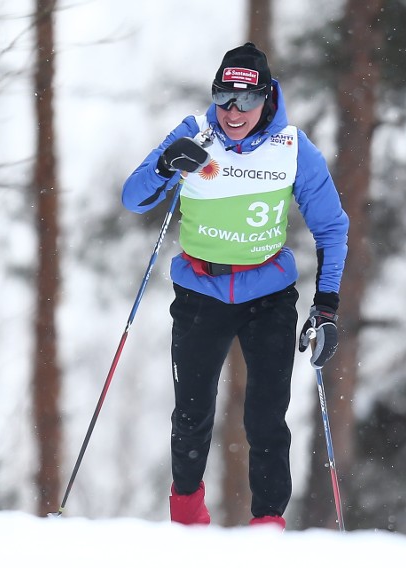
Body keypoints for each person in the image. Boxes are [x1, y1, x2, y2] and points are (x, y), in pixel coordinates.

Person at [121, 42, 349, 529]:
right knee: (191, 415)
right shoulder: (194, 135)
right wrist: (165, 166)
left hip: (268, 295)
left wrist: (326, 307)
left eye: (247, 101)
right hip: (201, 292)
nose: (234, 112)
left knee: (266, 419)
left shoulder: (293, 148)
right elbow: (134, 199)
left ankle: (268, 529)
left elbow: (332, 228)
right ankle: (187, 517)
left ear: (267, 98)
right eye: (225, 97)